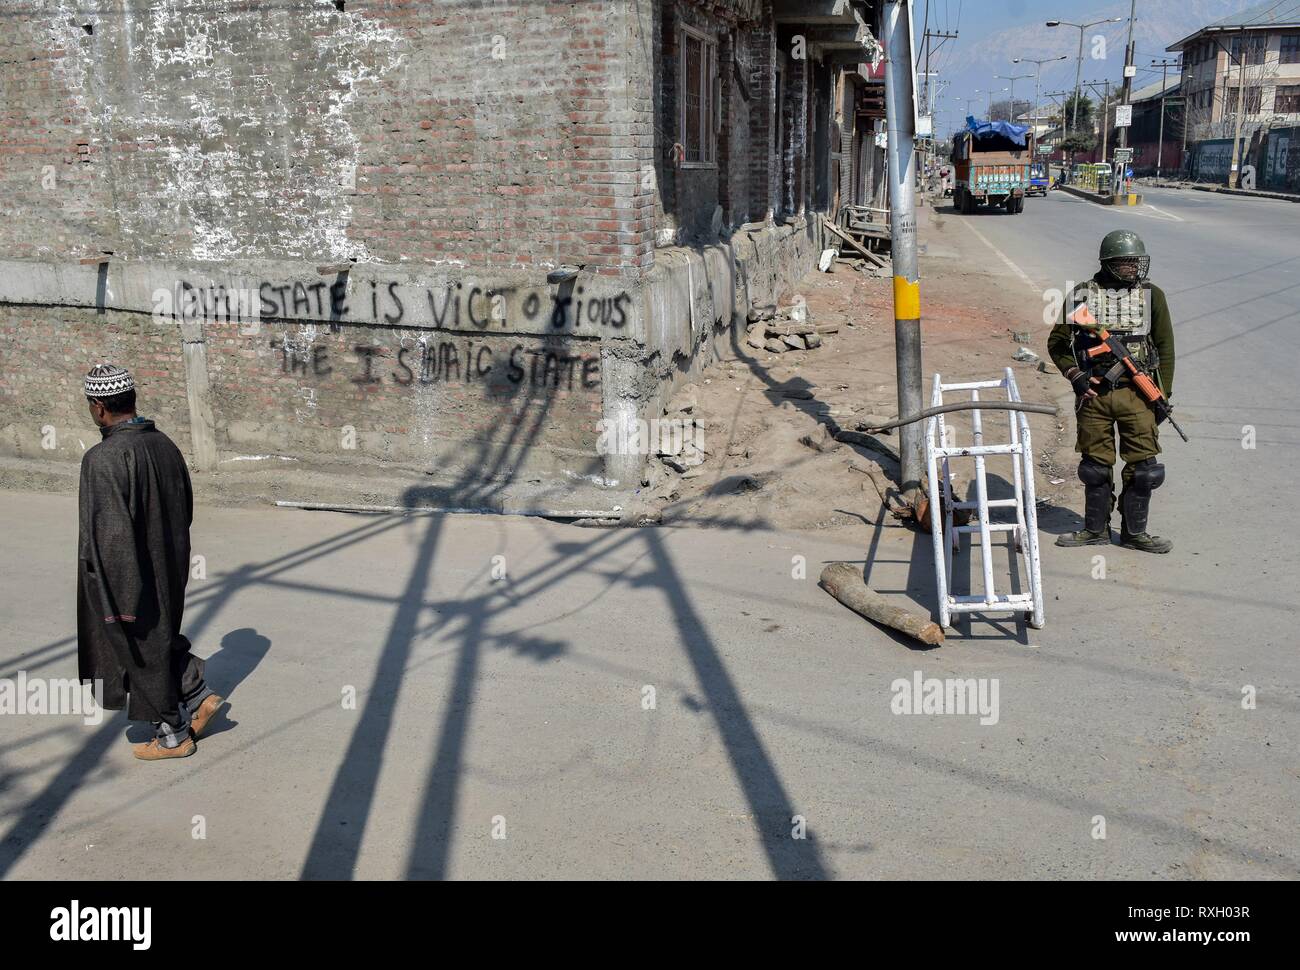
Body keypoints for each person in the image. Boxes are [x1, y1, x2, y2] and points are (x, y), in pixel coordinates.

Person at [77, 364, 223, 760]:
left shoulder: (102, 459)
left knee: (138, 649)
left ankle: (174, 734)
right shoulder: (164, 445)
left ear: (98, 407)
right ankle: (197, 694)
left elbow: (110, 536)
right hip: (169, 565)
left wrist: (118, 601)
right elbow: (185, 509)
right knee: (158, 638)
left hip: (129, 577)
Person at [1048, 230, 1175, 554]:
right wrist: (1075, 375)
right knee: (1094, 468)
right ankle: (1094, 530)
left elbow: (1165, 347)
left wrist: (1161, 396)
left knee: (1145, 470)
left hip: (1138, 395)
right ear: (1108, 263)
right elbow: (1058, 343)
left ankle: (1135, 534)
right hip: (1096, 395)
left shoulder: (1152, 296)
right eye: (1125, 262)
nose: (1133, 268)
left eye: (1136, 262)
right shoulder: (1081, 295)